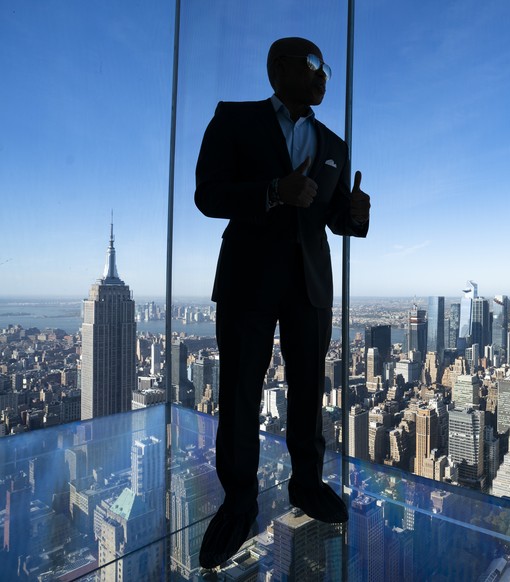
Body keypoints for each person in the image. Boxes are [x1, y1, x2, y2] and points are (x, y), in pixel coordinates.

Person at [194, 37, 370, 569]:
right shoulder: (234, 119)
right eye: (313, 64)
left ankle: (307, 485)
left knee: (309, 390)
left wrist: (357, 215)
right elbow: (208, 194)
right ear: (278, 68)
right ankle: (239, 502)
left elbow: (335, 218)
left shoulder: (334, 143)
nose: (323, 75)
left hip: (311, 285)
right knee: (242, 391)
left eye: (327, 68)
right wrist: (274, 190)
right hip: (249, 278)